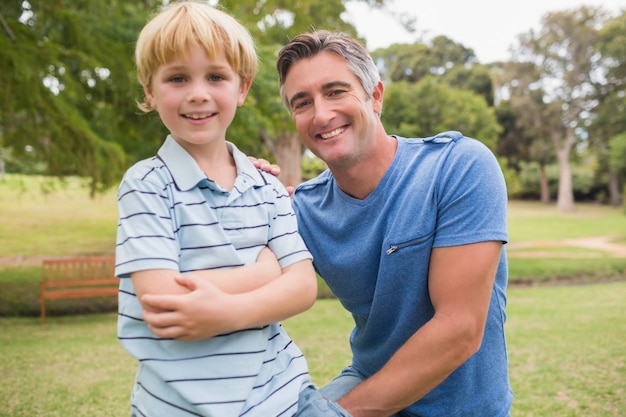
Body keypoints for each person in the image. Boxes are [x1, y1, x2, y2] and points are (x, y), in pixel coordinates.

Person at [141, 28, 513, 416]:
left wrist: (334, 414)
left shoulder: (458, 167)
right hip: (370, 380)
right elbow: (242, 273)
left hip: (463, 407)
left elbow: (460, 328)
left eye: (336, 91)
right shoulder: (301, 209)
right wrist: (236, 194)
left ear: (375, 96)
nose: (321, 114)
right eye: (302, 103)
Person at [115, 4, 349, 416]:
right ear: (149, 91)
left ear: (242, 88)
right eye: (177, 78)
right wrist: (263, 273)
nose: (198, 93)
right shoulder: (146, 184)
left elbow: (301, 288)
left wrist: (224, 310)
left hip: (283, 397)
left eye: (216, 76)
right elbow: (164, 301)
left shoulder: (266, 185)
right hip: (178, 405)